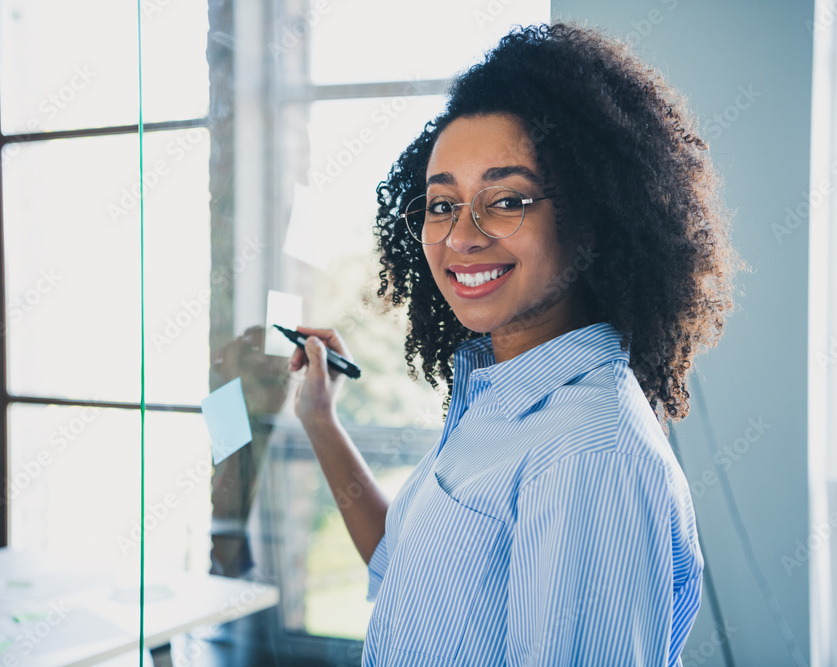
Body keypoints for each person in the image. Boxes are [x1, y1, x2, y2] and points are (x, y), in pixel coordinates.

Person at [289, 22, 740, 666]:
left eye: (505, 200)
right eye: (442, 204)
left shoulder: (586, 453)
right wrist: (320, 419)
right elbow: (407, 569)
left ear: (589, 217)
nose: (462, 236)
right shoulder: (501, 399)